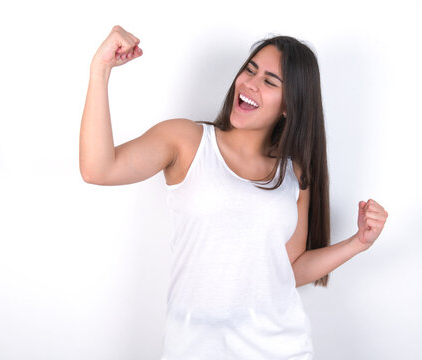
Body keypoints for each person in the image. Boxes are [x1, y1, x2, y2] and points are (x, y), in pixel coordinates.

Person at [79, 25, 388, 360]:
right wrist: (100, 70)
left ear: (289, 106)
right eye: (250, 70)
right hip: (195, 348)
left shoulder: (294, 173)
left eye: (270, 81)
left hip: (280, 348)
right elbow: (98, 169)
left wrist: (359, 242)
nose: (250, 84)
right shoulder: (186, 141)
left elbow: (290, 268)